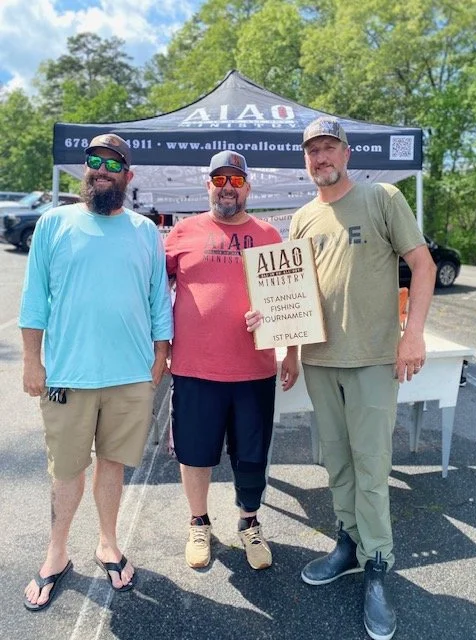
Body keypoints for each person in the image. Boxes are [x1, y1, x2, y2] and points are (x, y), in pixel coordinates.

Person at [290, 118, 437, 640]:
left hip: (374, 358)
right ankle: (348, 544)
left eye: (328, 147)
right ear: (305, 160)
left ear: (345, 153)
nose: (320, 157)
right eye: (312, 151)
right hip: (320, 361)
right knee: (337, 462)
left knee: (372, 466)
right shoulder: (303, 218)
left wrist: (412, 334)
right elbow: (292, 294)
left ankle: (378, 562)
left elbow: (422, 264)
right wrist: (286, 347)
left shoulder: (381, 199)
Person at [20, 133, 173, 611]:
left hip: (129, 376)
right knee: (66, 471)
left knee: (112, 466)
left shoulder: (146, 231)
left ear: (128, 176)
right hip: (67, 375)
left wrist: (160, 355)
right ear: (84, 168)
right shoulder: (53, 223)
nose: (101, 169)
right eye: (93, 160)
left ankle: (107, 542)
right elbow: (33, 300)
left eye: (113, 163)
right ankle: (57, 552)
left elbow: (157, 301)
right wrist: (31, 359)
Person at [164, 151, 299, 571]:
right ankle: (199, 522)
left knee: (252, 455)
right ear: (208, 185)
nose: (227, 187)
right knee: (195, 453)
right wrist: (155, 348)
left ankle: (250, 523)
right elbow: (152, 293)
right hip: (194, 368)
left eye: (236, 181)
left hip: (254, 369)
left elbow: (291, 299)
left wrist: (291, 350)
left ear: (248, 188)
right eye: (220, 179)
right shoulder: (183, 232)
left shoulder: (269, 235)